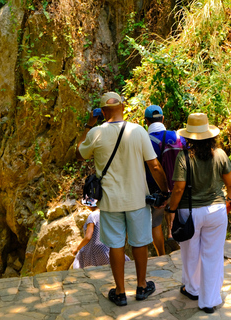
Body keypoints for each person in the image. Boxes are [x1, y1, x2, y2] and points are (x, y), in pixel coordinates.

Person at [76, 92, 170, 307]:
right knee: (139, 243)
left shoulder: (96, 133)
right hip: (137, 199)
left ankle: (119, 292)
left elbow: (79, 153)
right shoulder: (137, 131)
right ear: (123, 106)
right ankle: (141, 286)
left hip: (110, 202)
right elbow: (154, 166)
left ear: (102, 111)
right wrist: (164, 192)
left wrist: (89, 124)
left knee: (116, 246)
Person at [164, 113, 231, 314]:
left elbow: (178, 189)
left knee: (190, 253)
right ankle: (208, 301)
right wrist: (230, 201)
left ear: (188, 137)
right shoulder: (220, 155)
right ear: (210, 135)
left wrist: (171, 209)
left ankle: (193, 289)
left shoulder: (184, 156)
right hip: (216, 211)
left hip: (190, 212)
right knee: (212, 255)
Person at [144, 105, 186, 255]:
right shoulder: (177, 136)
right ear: (163, 119)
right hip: (177, 186)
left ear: (146, 122)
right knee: (180, 216)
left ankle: (161, 254)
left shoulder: (145, 140)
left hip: (155, 190)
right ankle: (182, 249)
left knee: (155, 224)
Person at [72, 202, 130, 269]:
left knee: (79, 263)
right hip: (107, 249)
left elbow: (88, 237)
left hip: (94, 251)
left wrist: (77, 248)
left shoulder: (92, 215)